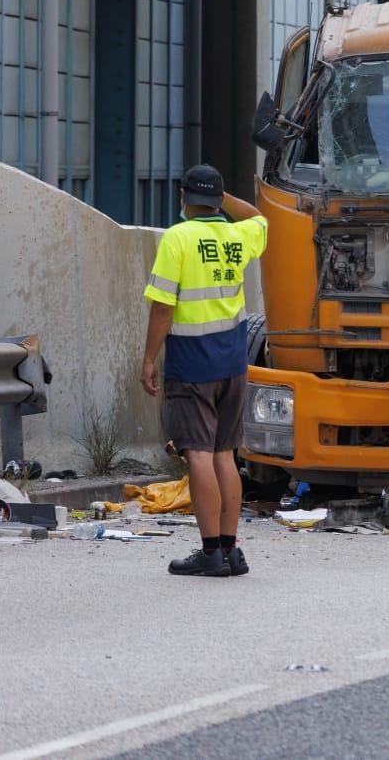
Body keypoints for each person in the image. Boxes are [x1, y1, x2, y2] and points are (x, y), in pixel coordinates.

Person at [141, 164, 269, 578]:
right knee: (224, 454)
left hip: (192, 363)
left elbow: (163, 306)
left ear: (183, 199)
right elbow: (259, 218)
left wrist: (148, 359)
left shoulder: (177, 238)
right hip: (232, 361)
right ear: (216, 201)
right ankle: (231, 550)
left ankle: (210, 550)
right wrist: (223, 196)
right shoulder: (236, 235)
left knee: (197, 453)